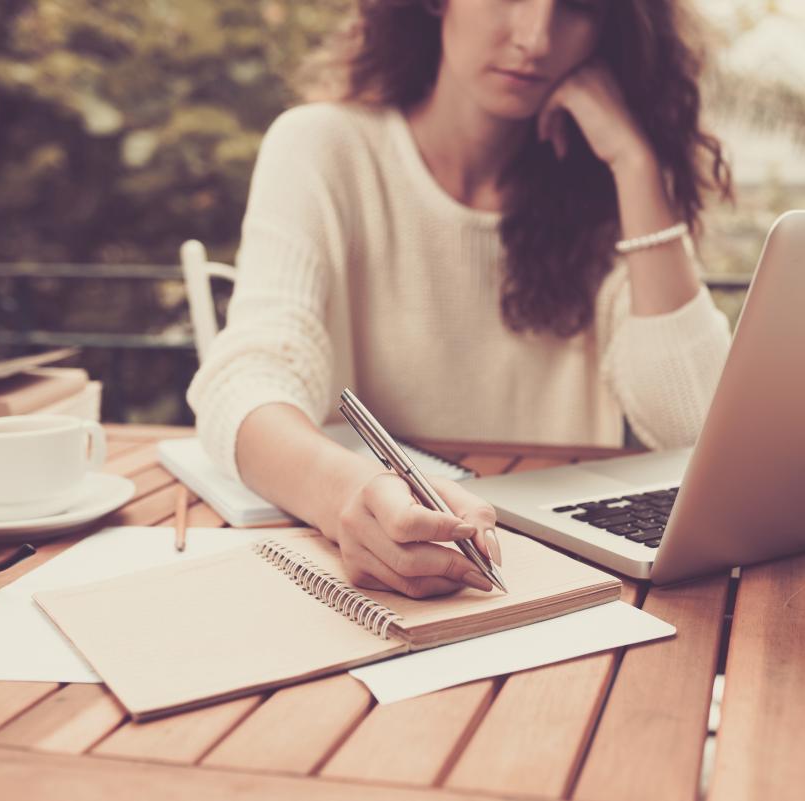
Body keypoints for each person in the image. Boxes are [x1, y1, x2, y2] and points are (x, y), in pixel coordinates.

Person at [187, 0, 733, 599]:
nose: (536, 37)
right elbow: (245, 381)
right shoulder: (323, 147)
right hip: (370, 573)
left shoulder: (609, 187)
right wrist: (345, 492)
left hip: (553, 577)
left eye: (577, 7)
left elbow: (699, 426)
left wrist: (634, 162)